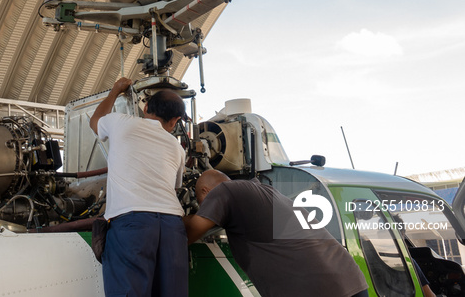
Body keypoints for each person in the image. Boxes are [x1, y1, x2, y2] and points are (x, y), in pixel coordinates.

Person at [184, 169, 369, 297]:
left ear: (205, 191)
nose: (203, 208)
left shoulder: (225, 191)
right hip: (349, 280)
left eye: (201, 203)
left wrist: (170, 218)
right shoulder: (266, 191)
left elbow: (191, 233)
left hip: (319, 290)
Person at [89, 77, 188, 297]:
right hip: (173, 227)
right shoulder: (177, 147)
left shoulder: (121, 122)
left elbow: (95, 121)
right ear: (175, 121)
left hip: (132, 224)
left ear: (145, 108)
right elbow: (174, 187)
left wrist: (115, 91)